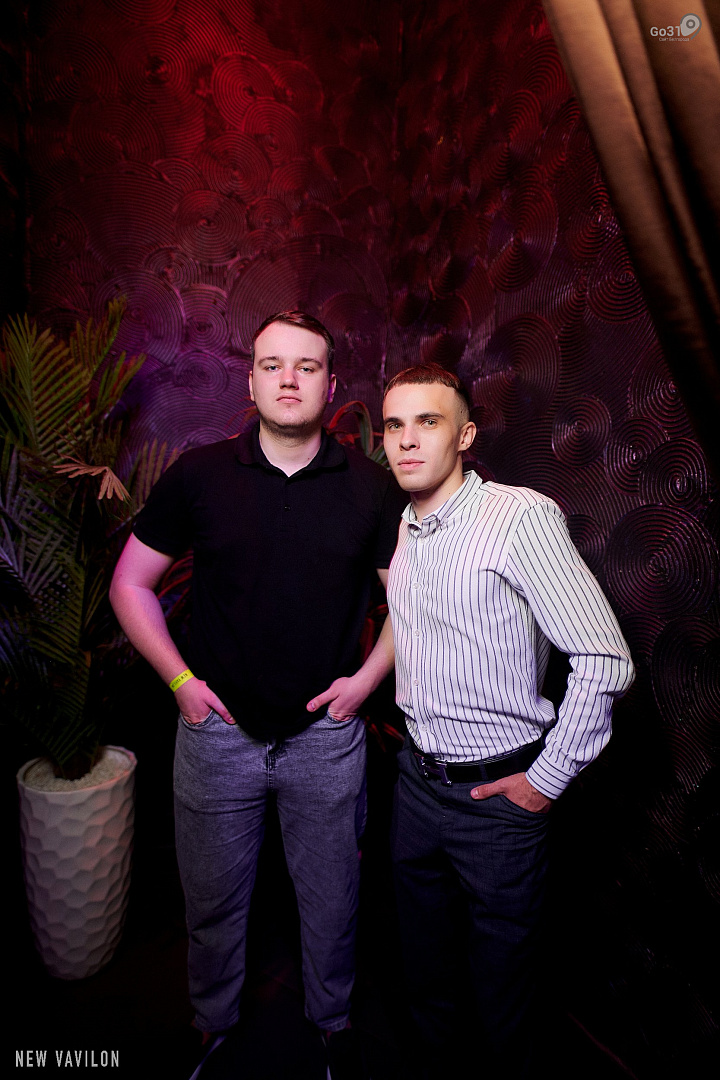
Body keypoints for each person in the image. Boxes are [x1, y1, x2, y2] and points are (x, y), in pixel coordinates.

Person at [109, 311, 405, 1080]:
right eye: (273, 365)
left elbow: (414, 603)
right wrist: (181, 683)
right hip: (217, 734)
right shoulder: (200, 475)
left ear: (331, 385)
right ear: (251, 381)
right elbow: (130, 584)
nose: (289, 379)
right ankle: (212, 1025)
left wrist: (365, 684)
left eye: (307, 366)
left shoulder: (370, 487)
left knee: (333, 902)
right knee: (211, 904)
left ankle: (333, 1024)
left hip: (325, 740)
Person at [380, 363, 635, 1078]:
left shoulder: (518, 517)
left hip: (497, 800)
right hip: (416, 785)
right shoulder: (406, 524)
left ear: (464, 435)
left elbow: (605, 659)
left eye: (427, 422)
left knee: (502, 997)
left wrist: (544, 781)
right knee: (424, 973)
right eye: (394, 425)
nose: (406, 440)